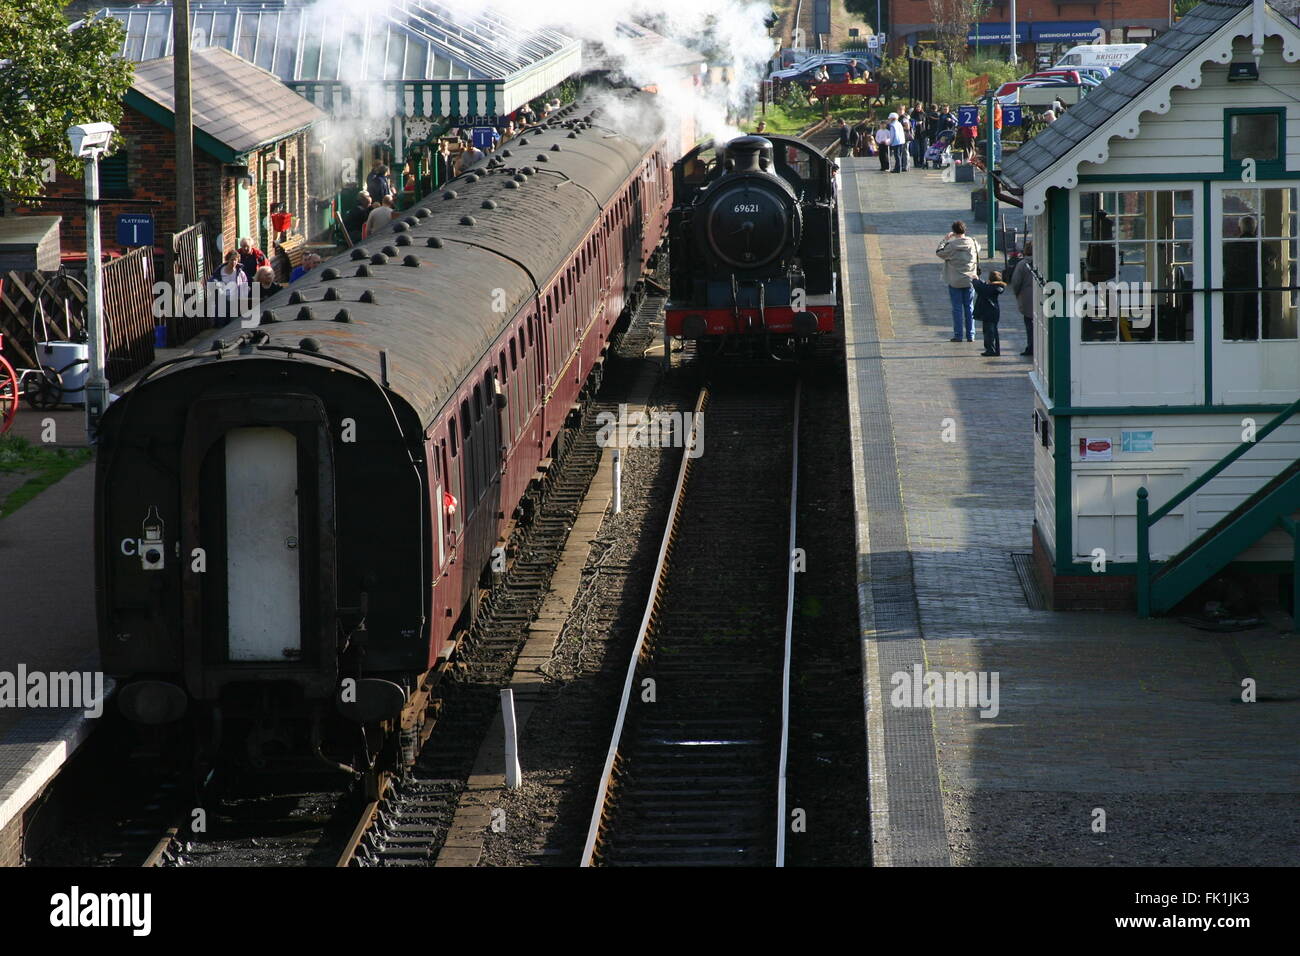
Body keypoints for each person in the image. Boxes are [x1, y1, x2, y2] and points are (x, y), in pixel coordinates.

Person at [937, 221, 981, 342]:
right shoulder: (973, 243)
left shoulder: (951, 246)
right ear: (965, 230)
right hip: (970, 280)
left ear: (954, 232)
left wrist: (945, 239)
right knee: (969, 307)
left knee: (957, 308)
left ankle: (958, 335)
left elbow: (939, 252)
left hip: (955, 281)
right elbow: (979, 249)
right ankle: (971, 335)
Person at [971, 270, 1007, 356]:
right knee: (993, 331)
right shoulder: (997, 287)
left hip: (988, 313)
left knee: (989, 332)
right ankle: (994, 349)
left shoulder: (990, 288)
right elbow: (984, 286)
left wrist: (975, 279)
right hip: (994, 312)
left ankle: (991, 350)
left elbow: (980, 288)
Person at [1008, 245, 1036, 355]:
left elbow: (1016, 282)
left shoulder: (1022, 264)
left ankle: (1031, 347)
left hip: (1027, 298)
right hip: (1043, 298)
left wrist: (1017, 294)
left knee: (1029, 324)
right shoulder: (1043, 261)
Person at [212, 250, 248, 325]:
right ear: (228, 260)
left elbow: (245, 284)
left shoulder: (240, 273)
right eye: (232, 260)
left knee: (233, 323)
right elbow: (212, 281)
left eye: (236, 260)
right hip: (223, 300)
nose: (234, 262)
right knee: (221, 322)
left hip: (235, 301)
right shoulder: (220, 272)